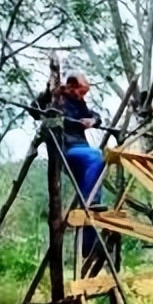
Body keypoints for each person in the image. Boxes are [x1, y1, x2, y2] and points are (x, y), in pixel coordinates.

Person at [30, 70, 106, 256]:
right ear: (71, 86)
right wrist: (47, 92)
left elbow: (95, 115)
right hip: (66, 149)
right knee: (96, 157)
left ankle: (87, 245)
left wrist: (93, 120)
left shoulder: (79, 103)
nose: (82, 96)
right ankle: (90, 203)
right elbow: (34, 110)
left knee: (91, 183)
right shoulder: (57, 97)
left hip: (81, 151)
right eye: (81, 91)